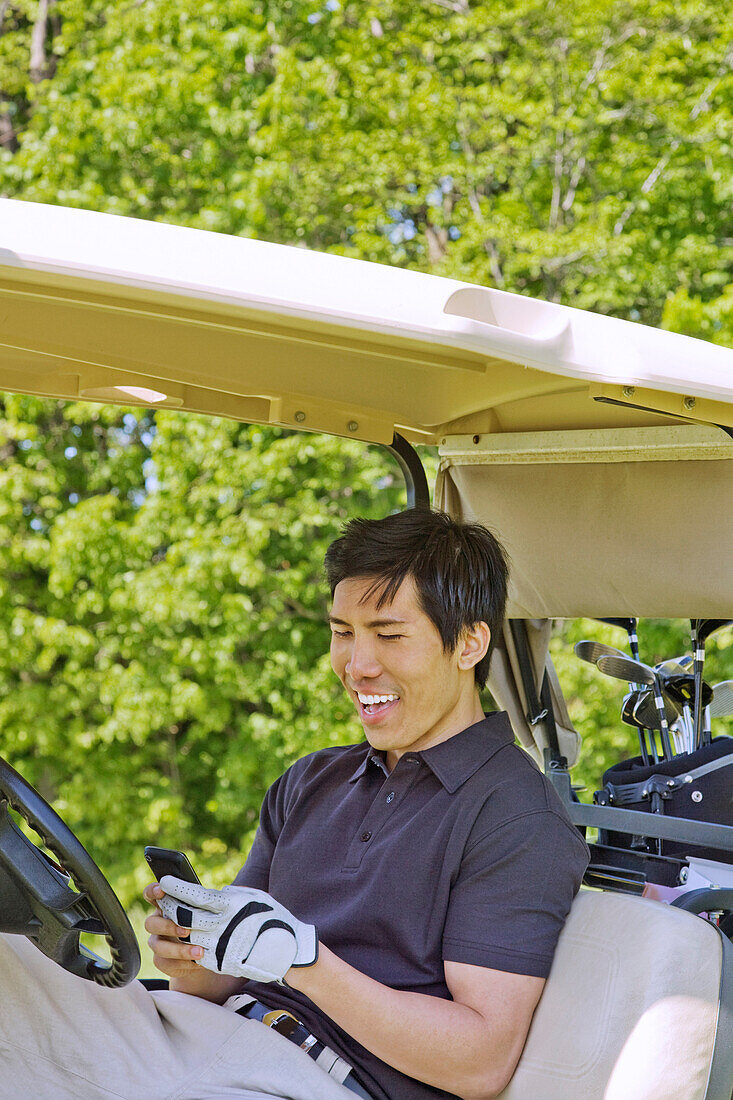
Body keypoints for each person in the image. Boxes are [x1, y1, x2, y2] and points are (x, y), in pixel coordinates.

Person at [0, 508, 587, 1100]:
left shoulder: (517, 816)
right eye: (342, 632)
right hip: (204, 1036)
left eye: (388, 635)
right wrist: (192, 953)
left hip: (314, 1081)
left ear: (468, 644)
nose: (357, 666)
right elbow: (214, 982)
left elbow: (480, 1065)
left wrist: (303, 963)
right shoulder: (312, 780)